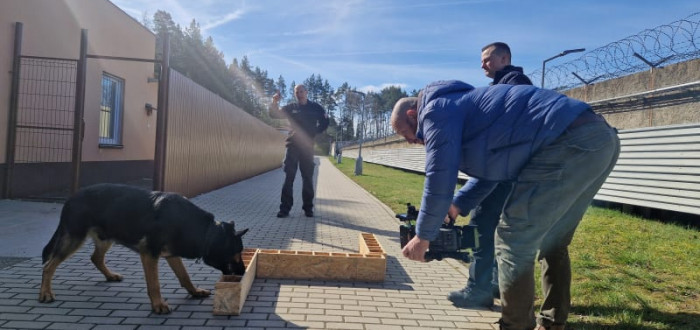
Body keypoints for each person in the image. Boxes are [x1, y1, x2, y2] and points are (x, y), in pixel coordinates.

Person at [393, 80, 619, 330]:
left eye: (407, 135)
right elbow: (493, 169)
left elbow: (439, 174)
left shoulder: (435, 110)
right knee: (553, 239)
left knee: (512, 239)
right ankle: (553, 323)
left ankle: (516, 325)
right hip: (599, 139)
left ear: (413, 115)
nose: (412, 142)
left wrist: (423, 236)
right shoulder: (462, 106)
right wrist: (458, 205)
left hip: (566, 143)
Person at [447, 42, 534, 308]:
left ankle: (478, 290)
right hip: (513, 168)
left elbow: (507, 132)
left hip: (504, 169)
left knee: (481, 226)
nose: (482, 64)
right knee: (496, 227)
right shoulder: (506, 83)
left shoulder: (513, 82)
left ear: (504, 58)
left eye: (487, 59)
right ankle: (495, 283)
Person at [269, 84, 329, 218]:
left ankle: (308, 209)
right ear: (295, 93)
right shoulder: (291, 108)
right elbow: (274, 114)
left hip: (307, 146)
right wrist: (274, 102)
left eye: (301, 91)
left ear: (306, 92)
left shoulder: (316, 108)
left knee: (307, 178)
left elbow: (325, 121)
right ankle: (284, 209)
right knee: (289, 177)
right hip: (293, 145)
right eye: (297, 92)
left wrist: (315, 131)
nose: (299, 94)